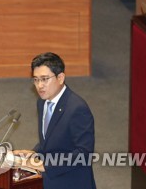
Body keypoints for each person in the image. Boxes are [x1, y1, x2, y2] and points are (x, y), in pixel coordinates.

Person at [14, 52, 96, 189]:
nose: (40, 85)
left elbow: (84, 154)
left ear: (60, 78)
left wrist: (45, 165)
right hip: (50, 178)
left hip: (71, 181)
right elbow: (51, 139)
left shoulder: (77, 109)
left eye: (45, 79)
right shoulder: (42, 102)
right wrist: (34, 153)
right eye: (36, 79)